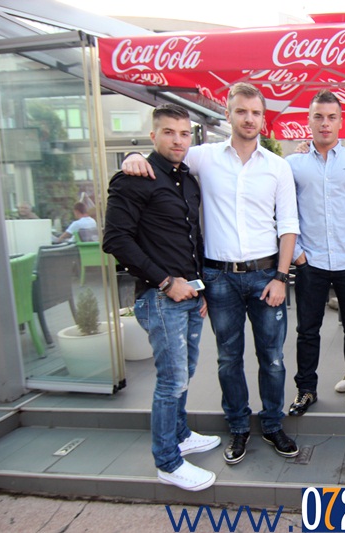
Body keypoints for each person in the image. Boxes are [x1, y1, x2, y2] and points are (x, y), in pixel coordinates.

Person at [121, 83, 301, 467]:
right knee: (227, 358)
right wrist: (133, 155)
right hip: (219, 279)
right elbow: (164, 153)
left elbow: (289, 226)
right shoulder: (203, 156)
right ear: (228, 115)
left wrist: (281, 278)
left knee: (272, 358)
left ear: (263, 118)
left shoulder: (278, 167)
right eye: (241, 111)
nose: (249, 118)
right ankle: (238, 427)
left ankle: (273, 424)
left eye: (255, 112)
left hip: (266, 275)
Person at [103, 103, 219, 492]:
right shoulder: (134, 178)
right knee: (171, 380)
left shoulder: (187, 178)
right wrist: (167, 283)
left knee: (185, 372)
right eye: (169, 132)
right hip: (159, 296)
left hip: (191, 295)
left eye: (184, 133)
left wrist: (200, 287)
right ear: (153, 135)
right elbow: (115, 240)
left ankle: (180, 436)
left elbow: (192, 237)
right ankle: (168, 462)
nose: (178, 140)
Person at [286, 89, 345, 417]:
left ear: (341, 122)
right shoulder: (293, 164)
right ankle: (305, 390)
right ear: (309, 121)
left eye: (331, 117)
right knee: (307, 331)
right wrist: (297, 254)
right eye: (319, 117)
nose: (325, 123)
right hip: (310, 263)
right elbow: (282, 211)